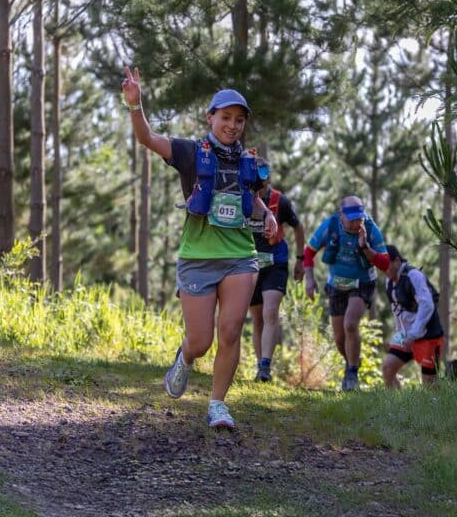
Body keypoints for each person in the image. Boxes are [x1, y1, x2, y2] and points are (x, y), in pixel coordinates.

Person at [121, 67, 278, 430]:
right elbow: (147, 137)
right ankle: (185, 358)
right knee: (201, 341)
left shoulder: (247, 163)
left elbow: (250, 200)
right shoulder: (190, 153)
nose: (233, 125)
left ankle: (218, 404)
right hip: (197, 259)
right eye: (226, 118)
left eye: (239, 120)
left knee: (232, 329)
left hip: (240, 256)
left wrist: (267, 213)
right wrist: (135, 104)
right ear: (211, 118)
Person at [303, 196, 389, 391]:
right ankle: (352, 365)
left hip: (362, 282)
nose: (355, 223)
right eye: (350, 218)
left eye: (358, 218)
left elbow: (385, 263)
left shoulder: (371, 229)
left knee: (350, 324)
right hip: (336, 284)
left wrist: (365, 247)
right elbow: (309, 252)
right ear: (341, 215)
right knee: (339, 338)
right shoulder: (330, 226)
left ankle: (352, 374)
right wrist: (309, 279)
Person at [248, 158, 305, 383]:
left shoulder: (280, 201)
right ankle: (259, 365)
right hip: (250, 265)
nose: (260, 186)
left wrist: (301, 259)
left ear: (268, 179)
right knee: (257, 319)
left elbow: (298, 227)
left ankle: (265, 367)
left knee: (270, 312)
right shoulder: (243, 200)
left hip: (275, 262)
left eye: (263, 181)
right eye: (256, 182)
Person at [381, 244, 444, 388]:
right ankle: (395, 406)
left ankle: (437, 408)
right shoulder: (389, 281)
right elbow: (396, 308)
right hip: (406, 334)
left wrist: (413, 334)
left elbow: (427, 305)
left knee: (430, 383)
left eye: (386, 265)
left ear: (397, 261)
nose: (383, 269)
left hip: (429, 334)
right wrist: (401, 334)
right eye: (381, 266)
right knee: (388, 368)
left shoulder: (414, 276)